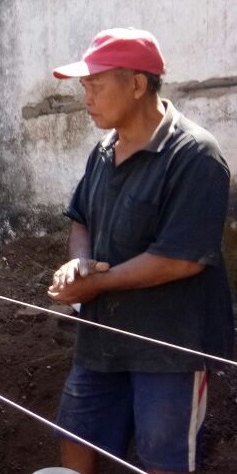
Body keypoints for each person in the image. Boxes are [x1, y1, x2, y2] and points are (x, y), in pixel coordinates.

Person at [47, 28, 234, 474]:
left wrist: (97, 284)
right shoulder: (104, 150)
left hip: (169, 344)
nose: (85, 95)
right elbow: (82, 218)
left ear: (136, 84)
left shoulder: (194, 156)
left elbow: (181, 257)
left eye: (95, 83)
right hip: (102, 339)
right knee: (76, 436)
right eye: (84, 85)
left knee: (162, 457)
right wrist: (78, 264)